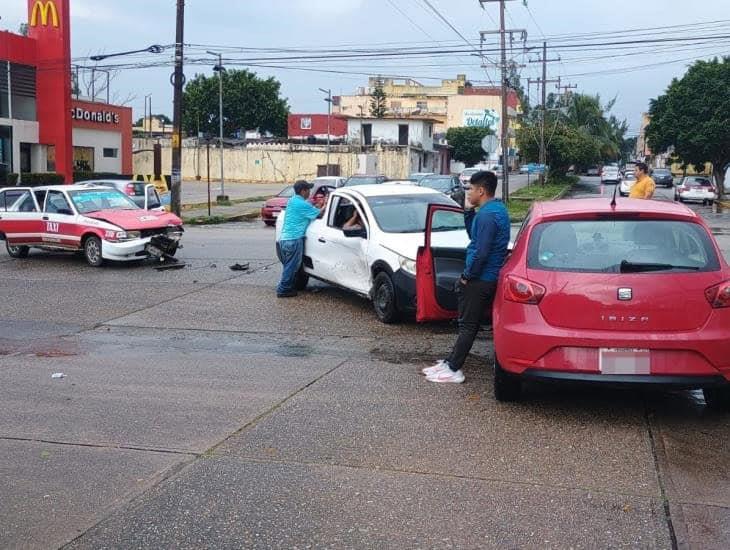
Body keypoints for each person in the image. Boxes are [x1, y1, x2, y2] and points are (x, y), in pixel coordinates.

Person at [422, 170, 510, 383]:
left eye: (470, 188)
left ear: (481, 190)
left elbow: (481, 251)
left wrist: (467, 276)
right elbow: (475, 236)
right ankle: (450, 360)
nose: (468, 192)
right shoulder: (494, 210)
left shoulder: (488, 215)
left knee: (468, 325)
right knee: (466, 324)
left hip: (480, 279)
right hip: (485, 276)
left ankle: (454, 369)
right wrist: (469, 212)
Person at [276, 180, 324, 298]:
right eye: (308, 189)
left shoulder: (293, 200)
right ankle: (283, 289)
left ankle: (286, 287)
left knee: (288, 266)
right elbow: (319, 214)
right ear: (303, 191)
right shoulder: (302, 204)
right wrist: (327, 204)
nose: (310, 192)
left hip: (284, 240)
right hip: (294, 240)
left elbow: (309, 209)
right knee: (292, 267)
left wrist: (316, 206)